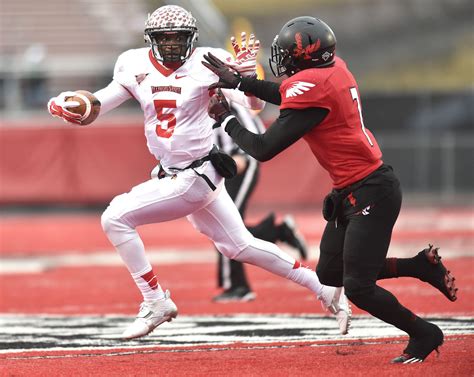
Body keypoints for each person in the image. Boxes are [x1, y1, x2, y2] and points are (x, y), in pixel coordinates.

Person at [47, 5, 350, 340]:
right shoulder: (133, 63)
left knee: (115, 218)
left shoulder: (208, 61)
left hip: (196, 175)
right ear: (152, 40)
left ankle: (155, 301)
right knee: (239, 246)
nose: (173, 45)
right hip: (176, 172)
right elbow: (99, 104)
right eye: (166, 38)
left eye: (179, 38)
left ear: (192, 38)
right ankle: (322, 288)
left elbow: (254, 107)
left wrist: (249, 75)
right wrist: (71, 103)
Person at [202, 16, 458, 363]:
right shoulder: (333, 69)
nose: (283, 61)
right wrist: (241, 82)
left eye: (288, 53)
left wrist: (226, 119)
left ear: (304, 55)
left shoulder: (313, 89)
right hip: (353, 189)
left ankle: (424, 332)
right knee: (329, 273)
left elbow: (263, 149)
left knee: (358, 287)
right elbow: (285, 91)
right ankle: (418, 266)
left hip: (371, 191)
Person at [212, 100, 309, 302]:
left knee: (226, 226)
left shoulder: (229, 103)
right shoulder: (195, 101)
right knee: (223, 226)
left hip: (239, 167)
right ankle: (279, 231)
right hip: (219, 170)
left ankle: (238, 286)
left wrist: (242, 158)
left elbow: (252, 129)